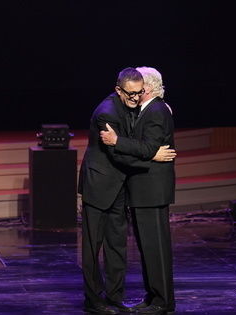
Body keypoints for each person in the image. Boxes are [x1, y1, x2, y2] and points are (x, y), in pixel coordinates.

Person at [78, 67, 175, 314]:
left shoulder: (139, 106)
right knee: (92, 247)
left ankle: (114, 297)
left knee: (117, 246)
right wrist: (153, 156)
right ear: (118, 90)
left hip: (120, 188)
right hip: (100, 187)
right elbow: (117, 154)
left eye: (138, 93)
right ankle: (94, 300)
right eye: (130, 94)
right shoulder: (107, 112)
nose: (134, 98)